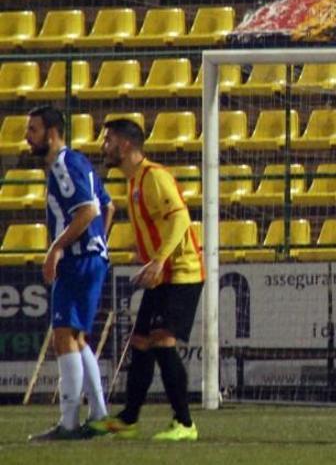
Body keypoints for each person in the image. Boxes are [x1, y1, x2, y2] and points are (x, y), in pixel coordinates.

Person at [97, 119, 204, 441]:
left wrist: (158, 259)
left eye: (109, 140)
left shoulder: (153, 176)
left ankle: (185, 424)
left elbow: (181, 218)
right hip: (162, 275)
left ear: (126, 145)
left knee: (161, 341)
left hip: (180, 273)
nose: (104, 146)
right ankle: (129, 419)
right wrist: (141, 251)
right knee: (140, 343)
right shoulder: (133, 182)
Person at [26, 106, 114, 441]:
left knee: (63, 336)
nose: (26, 137)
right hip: (90, 258)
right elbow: (108, 205)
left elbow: (88, 210)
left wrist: (56, 248)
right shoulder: (81, 163)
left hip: (78, 261)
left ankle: (69, 423)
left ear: (51, 133)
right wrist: (99, 242)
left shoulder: (63, 164)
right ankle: (100, 415)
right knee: (77, 337)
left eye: (32, 130)